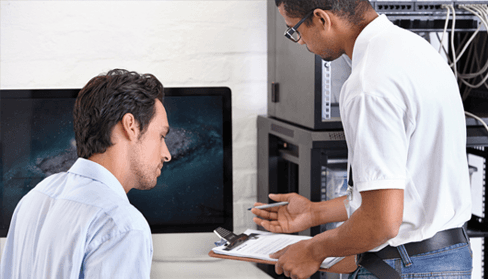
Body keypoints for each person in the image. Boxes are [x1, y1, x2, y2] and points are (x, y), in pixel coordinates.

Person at [252, 1, 472, 278]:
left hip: (407, 265)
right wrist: (314, 213)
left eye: (294, 30)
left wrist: (313, 250)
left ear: (321, 19)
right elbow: (405, 191)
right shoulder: (417, 50)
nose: (299, 42)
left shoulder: (368, 84)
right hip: (449, 257)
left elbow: (382, 222)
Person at [0, 69, 172, 278]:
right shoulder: (121, 224)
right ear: (131, 126)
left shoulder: (36, 197)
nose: (167, 154)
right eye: (161, 136)